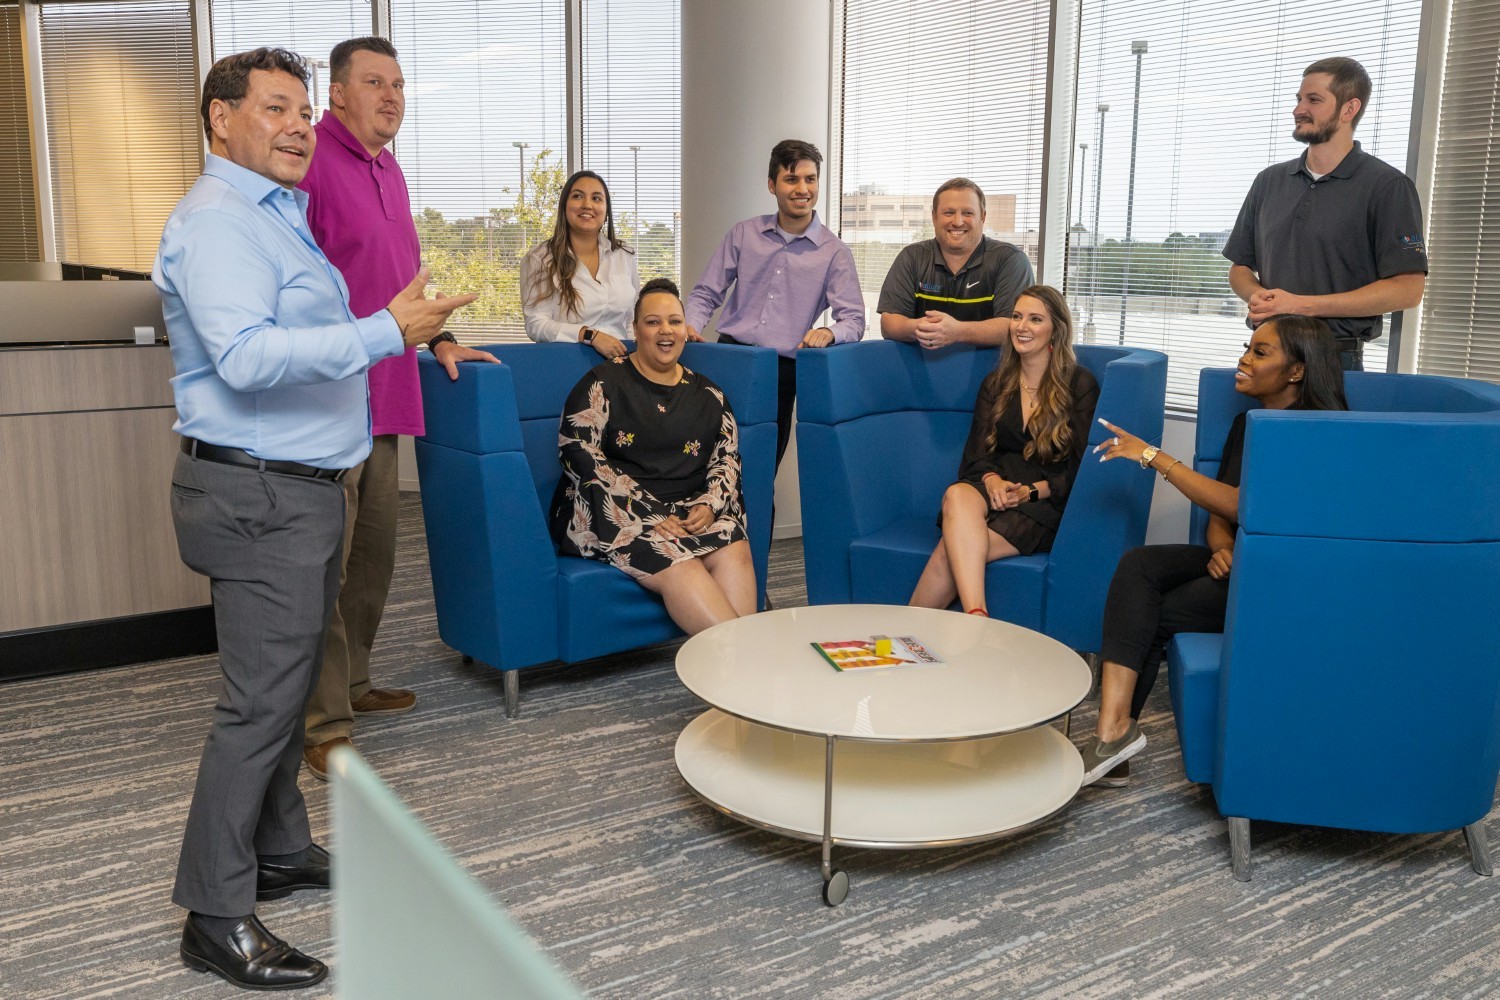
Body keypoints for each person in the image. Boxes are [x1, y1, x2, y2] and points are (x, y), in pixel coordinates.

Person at [155, 47, 473, 989]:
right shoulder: (218, 223)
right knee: (257, 707)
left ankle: (281, 848)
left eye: (301, 111)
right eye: (276, 108)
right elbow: (247, 358)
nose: (298, 126)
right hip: (257, 492)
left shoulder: (274, 214)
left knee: (288, 687)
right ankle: (214, 914)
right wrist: (388, 331)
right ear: (222, 120)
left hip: (293, 487)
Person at [297, 36, 498, 781]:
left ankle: (353, 684)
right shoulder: (309, 162)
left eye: (400, 84)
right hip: (326, 401)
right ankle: (320, 725)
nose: (392, 97)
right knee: (326, 564)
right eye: (374, 83)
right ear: (338, 95)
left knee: (373, 561)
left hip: (388, 393)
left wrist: (440, 336)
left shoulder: (390, 168)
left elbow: (394, 280)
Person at [1080, 315, 1349, 787]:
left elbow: (1246, 502)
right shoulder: (1248, 423)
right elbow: (1223, 515)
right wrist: (1222, 545)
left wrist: (1152, 455)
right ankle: (1113, 731)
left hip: (1279, 576)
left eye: (1260, 353)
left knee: (1154, 613)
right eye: (1247, 347)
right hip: (1240, 559)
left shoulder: (1315, 432)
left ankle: (1114, 742)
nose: (1243, 360)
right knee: (1139, 565)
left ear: (1297, 371)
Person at [551, 278, 756, 635]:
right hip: (617, 511)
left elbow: (727, 459)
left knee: (733, 545)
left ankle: (738, 673)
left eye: (675, 321)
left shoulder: (709, 394)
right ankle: (748, 667)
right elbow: (577, 453)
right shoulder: (602, 382)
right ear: (635, 328)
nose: (666, 331)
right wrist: (648, 511)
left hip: (690, 510)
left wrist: (709, 505)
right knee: (682, 561)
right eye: (653, 322)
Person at [1224, 56, 1428, 371]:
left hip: (1333, 363)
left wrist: (1302, 306)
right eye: (1299, 99)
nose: (1298, 109)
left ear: (1349, 109)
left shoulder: (1387, 186)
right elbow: (1240, 267)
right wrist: (1258, 296)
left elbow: (1408, 290)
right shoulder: (1269, 181)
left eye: (1313, 100)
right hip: (1266, 356)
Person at [908, 286, 1099, 615]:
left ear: (1056, 328)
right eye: (1016, 317)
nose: (1022, 327)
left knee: (949, 550)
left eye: (1035, 319)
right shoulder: (996, 383)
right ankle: (976, 618)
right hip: (994, 490)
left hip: (1042, 505)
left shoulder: (1079, 385)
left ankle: (915, 634)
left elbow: (1081, 471)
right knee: (957, 495)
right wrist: (993, 480)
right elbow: (974, 458)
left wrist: (1030, 492)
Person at [685, 139, 865, 470]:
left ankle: (756, 524)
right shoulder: (744, 234)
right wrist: (690, 326)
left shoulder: (834, 252)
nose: (803, 189)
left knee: (758, 469)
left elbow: (854, 320)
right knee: (705, 464)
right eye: (792, 179)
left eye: (810, 179)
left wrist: (829, 332)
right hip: (729, 358)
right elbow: (706, 292)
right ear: (772, 185)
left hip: (782, 371)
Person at [877, 177, 1034, 349]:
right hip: (921, 371)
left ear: (983, 216)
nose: (958, 222)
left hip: (993, 372)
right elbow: (889, 324)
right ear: (934, 217)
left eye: (968, 213)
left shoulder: (1010, 260)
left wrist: (958, 331)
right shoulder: (912, 257)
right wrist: (922, 328)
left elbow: (1014, 326)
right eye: (949, 212)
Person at [522, 169, 639, 359]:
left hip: (622, 365)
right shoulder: (540, 259)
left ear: (606, 210)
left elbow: (633, 319)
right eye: (577, 196)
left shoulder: (624, 256)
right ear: (564, 206)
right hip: (569, 363)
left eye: (596, 198)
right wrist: (589, 336)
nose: (587, 205)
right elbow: (536, 325)